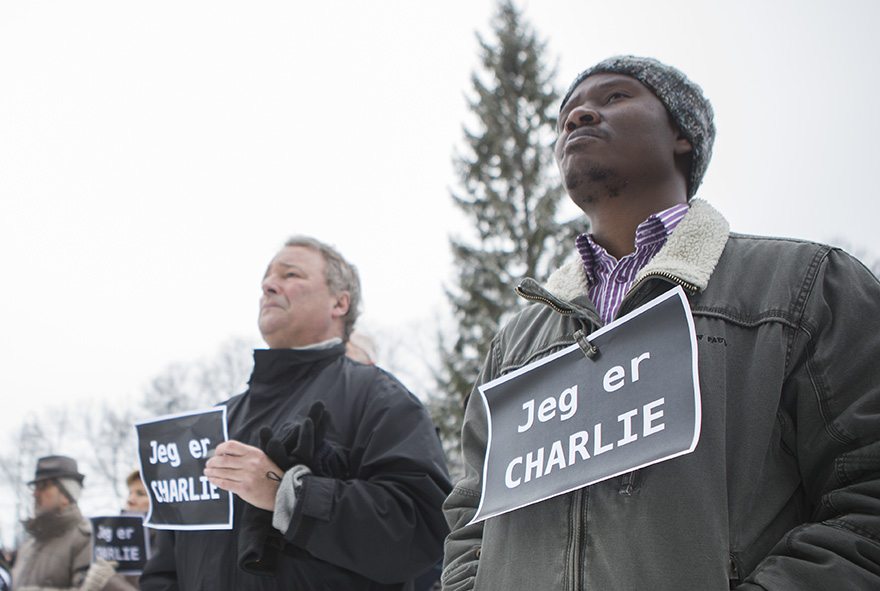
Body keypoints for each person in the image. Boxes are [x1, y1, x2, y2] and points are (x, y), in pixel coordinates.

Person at [441, 56, 880, 590]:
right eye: (565, 117)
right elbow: (470, 524)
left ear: (682, 136)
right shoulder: (513, 346)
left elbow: (865, 502)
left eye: (614, 97)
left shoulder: (807, 288)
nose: (578, 116)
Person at [141, 236, 452, 590]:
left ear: (340, 302)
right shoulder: (212, 425)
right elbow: (164, 569)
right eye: (267, 277)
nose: (268, 285)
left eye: (290, 274)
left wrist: (288, 496)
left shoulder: (378, 397)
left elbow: (422, 529)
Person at [11, 455, 117, 591]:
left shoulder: (87, 540)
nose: (35, 494)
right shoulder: (29, 545)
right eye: (35, 486)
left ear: (66, 495)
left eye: (43, 486)